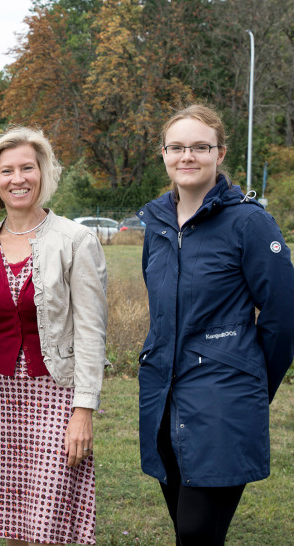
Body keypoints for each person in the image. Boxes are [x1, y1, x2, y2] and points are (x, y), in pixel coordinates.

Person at [138, 104, 294, 545]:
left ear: (220, 153)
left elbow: (284, 316)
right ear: (164, 153)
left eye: (200, 147)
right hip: (163, 399)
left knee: (196, 531)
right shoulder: (158, 224)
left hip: (225, 401)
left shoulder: (248, 222)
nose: (188, 156)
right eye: (177, 147)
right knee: (185, 528)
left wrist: (250, 380)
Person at [0, 126, 108, 545]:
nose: (18, 178)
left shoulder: (75, 241)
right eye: (7, 171)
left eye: (28, 167)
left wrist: (84, 410)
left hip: (54, 394)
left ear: (43, 174)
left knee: (51, 520)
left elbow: (92, 332)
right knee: (12, 520)